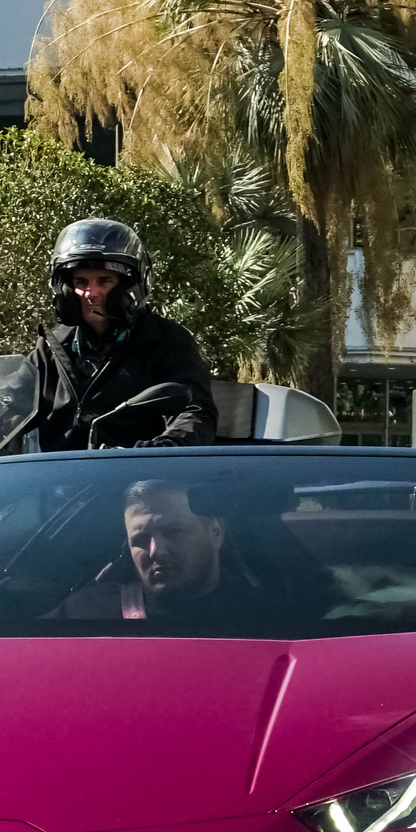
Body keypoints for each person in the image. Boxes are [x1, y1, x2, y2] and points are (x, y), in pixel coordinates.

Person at [25, 219, 218, 452]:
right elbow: (7, 399)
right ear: (65, 290)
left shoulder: (167, 342)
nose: (90, 293)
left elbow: (193, 412)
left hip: (134, 475)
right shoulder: (51, 347)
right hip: (56, 478)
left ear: (130, 285)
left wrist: (164, 448)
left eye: (104, 281)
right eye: (81, 282)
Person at [58, 479, 256, 620]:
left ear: (216, 532)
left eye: (174, 532)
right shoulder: (85, 612)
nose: (156, 551)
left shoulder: (266, 619)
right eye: (141, 539)